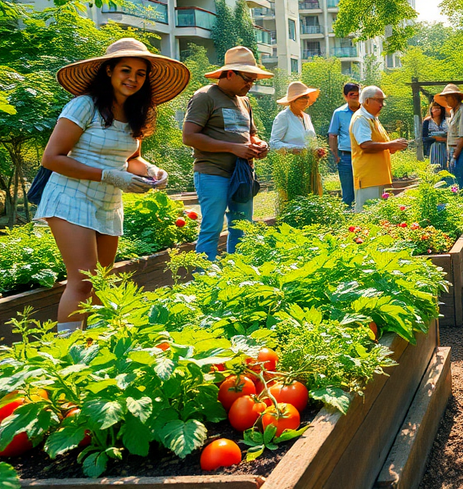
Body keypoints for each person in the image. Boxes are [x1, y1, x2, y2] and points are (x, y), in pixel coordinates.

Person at [37, 38, 190, 333]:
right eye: (125, 70)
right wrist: (110, 175)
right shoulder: (84, 105)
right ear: (109, 71)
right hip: (70, 195)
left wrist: (152, 170)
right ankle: (66, 356)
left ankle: (92, 350)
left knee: (99, 283)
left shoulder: (136, 111)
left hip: (107, 203)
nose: (132, 78)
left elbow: (131, 157)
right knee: (82, 282)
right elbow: (52, 158)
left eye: (140, 73)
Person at [182, 46, 271, 261]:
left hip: (241, 174)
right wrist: (233, 148)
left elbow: (250, 134)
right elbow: (189, 136)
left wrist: (260, 144)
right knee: (212, 227)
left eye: (253, 80)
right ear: (230, 73)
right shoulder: (205, 96)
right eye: (247, 79)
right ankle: (204, 280)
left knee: (242, 227)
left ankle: (237, 277)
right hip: (213, 172)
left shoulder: (244, 101)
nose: (250, 84)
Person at [349, 86, 408, 210]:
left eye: (383, 101)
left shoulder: (373, 119)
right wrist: (391, 144)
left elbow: (382, 145)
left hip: (379, 177)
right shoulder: (361, 119)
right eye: (379, 100)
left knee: (381, 217)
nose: (382, 104)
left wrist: (393, 146)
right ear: (366, 101)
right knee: (368, 216)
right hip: (368, 178)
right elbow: (365, 145)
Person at [270, 80, 323, 196]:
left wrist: (317, 151)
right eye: (302, 97)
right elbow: (274, 143)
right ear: (292, 101)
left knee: (312, 197)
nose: (305, 100)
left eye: (306, 97)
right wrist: (295, 149)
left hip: (310, 166)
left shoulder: (306, 117)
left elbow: (310, 141)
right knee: (294, 198)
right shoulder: (283, 117)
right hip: (292, 167)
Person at [435, 83, 463, 188]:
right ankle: (460, 202)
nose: (446, 101)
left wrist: (455, 156)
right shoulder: (453, 112)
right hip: (455, 150)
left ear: (454, 97)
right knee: (456, 181)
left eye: (448, 98)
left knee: (462, 181)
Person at [327, 83, 360, 206]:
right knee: (348, 193)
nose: (355, 97)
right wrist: (336, 156)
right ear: (345, 96)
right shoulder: (339, 113)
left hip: (364, 155)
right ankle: (348, 217)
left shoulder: (366, 111)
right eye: (352, 94)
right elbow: (333, 135)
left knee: (364, 189)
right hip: (346, 156)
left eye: (358, 94)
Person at [421, 101, 449, 171]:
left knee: (445, 167)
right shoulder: (427, 121)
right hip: (432, 148)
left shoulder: (446, 121)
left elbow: (451, 135)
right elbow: (424, 138)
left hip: (446, 148)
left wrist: (442, 139)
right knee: (434, 167)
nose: (436, 110)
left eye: (438, 108)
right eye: (434, 108)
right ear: (431, 110)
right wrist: (436, 139)